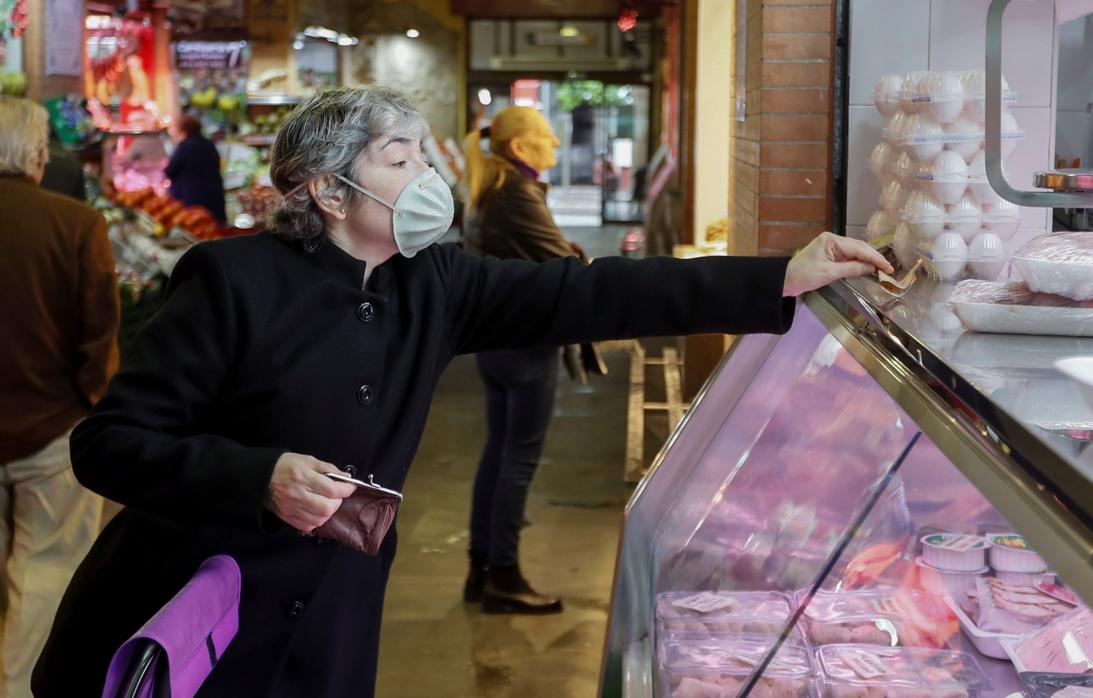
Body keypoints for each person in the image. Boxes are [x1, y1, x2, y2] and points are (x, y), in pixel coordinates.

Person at [32, 87, 890, 697]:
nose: (428, 179)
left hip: (333, 613)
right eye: (398, 159)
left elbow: (589, 293)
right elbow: (108, 444)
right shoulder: (230, 281)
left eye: (425, 155)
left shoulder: (432, 279)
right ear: (329, 191)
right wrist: (259, 478)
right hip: (198, 607)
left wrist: (778, 274)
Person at [0, 97, 118, 698]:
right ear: (38, 156)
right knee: (46, 571)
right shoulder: (76, 225)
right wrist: (95, 406)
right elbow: (99, 332)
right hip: (53, 429)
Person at [460, 106, 586, 614]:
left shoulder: (498, 189)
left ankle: (481, 567)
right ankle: (505, 576)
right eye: (545, 135)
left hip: (497, 341)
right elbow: (566, 265)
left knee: (499, 453)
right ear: (519, 148)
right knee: (519, 459)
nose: (555, 142)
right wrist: (579, 257)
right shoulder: (516, 192)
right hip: (525, 343)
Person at [165, 114, 227, 224]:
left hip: (192, 198)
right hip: (213, 195)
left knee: (197, 228)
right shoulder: (209, 144)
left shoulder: (185, 146)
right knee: (213, 229)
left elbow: (170, 170)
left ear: (183, 130)